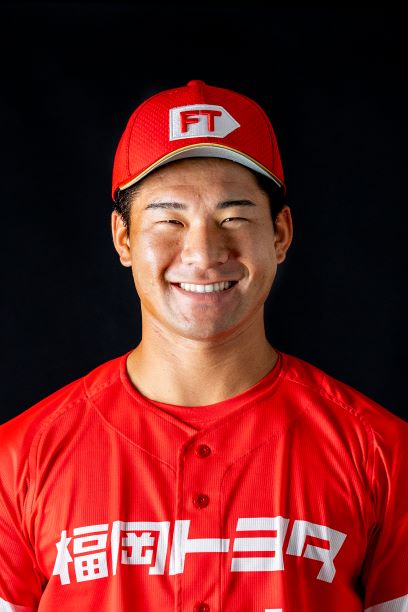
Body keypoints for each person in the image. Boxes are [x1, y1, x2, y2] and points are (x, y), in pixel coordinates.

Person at [0, 79, 407, 612]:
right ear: (124, 237)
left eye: (233, 217)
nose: (204, 252)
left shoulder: (383, 453)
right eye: (169, 220)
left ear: (280, 234)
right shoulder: (19, 459)